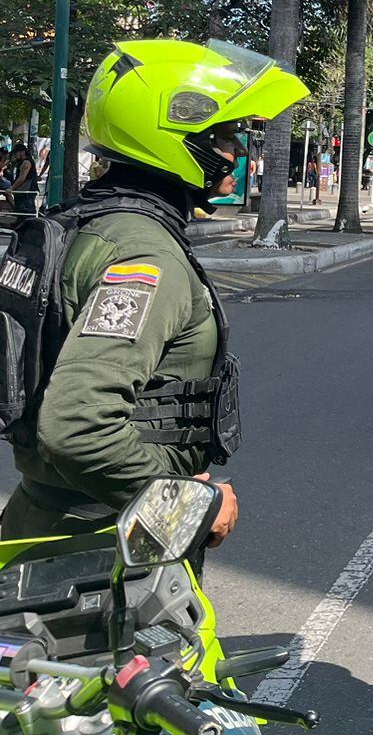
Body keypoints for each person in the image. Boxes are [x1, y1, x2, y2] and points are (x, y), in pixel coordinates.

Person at [1, 39, 308, 541]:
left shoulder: (84, 223)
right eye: (223, 135)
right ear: (172, 131)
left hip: (51, 514)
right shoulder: (145, 255)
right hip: (103, 541)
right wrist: (189, 503)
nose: (236, 152)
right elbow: (78, 424)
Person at [9, 140, 39, 215]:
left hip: (27, 192)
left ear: (22, 152)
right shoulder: (19, 162)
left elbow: (21, 179)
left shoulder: (26, 162)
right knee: (20, 213)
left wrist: (11, 188)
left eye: (16, 153)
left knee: (26, 213)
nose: (15, 155)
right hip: (22, 192)